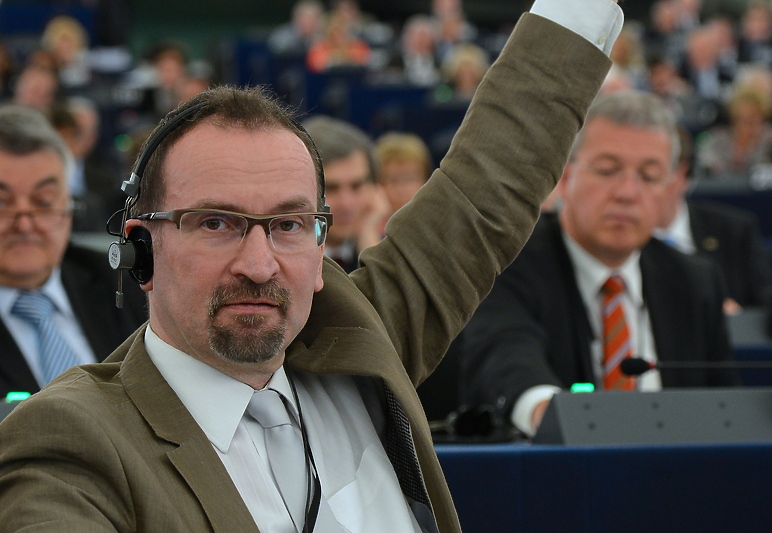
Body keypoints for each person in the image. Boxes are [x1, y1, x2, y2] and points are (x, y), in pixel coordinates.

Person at [0, 1, 623, 531]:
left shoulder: (354, 340)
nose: (259, 262)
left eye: (289, 225)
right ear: (142, 249)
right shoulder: (71, 438)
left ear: (322, 250)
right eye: (216, 223)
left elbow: (488, 189)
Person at [459, 90, 737, 439]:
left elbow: (726, 411)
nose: (627, 192)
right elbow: (506, 355)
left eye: (649, 176)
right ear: (564, 175)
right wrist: (551, 413)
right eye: (608, 170)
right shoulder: (509, 263)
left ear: (669, 189)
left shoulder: (696, 282)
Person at [0, 104, 147, 398]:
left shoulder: (118, 285)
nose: (25, 224)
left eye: (43, 202)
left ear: (69, 210)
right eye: (3, 203)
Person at [655, 127, 772, 312]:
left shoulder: (734, 232)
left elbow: (766, 310)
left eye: (651, 173)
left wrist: (736, 317)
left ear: (683, 174)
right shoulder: (614, 238)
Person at [302, 114, 378, 272]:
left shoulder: (383, 248)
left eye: (357, 186)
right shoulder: (280, 257)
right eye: (331, 188)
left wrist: (369, 237)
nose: (346, 203)